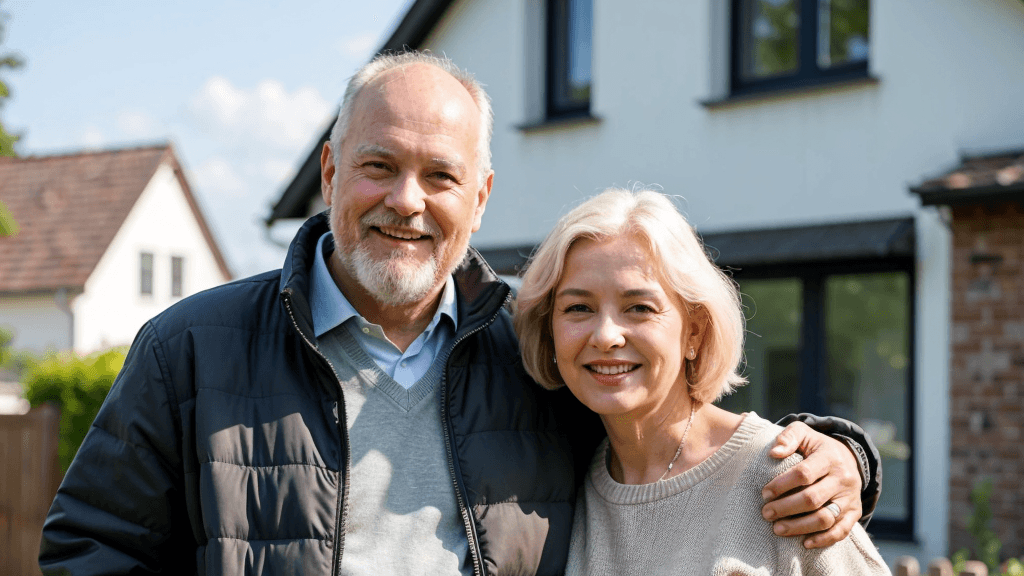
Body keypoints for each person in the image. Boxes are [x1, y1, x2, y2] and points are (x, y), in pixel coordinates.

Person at [39, 52, 879, 576]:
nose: (406, 202)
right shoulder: (189, 348)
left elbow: (665, 424)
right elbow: (91, 548)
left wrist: (838, 453)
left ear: (479, 199)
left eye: (440, 176)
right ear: (330, 173)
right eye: (379, 166)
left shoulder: (536, 342)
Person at [514, 188, 891, 575]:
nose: (606, 335)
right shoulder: (559, 488)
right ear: (550, 330)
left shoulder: (788, 481)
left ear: (694, 332)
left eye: (639, 308)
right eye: (579, 307)